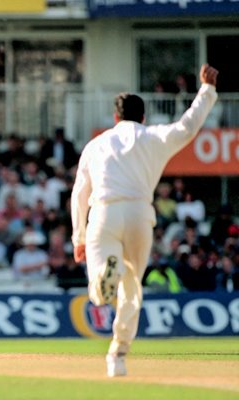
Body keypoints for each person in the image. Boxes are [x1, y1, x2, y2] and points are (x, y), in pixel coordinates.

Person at [70, 64, 218, 377]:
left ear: (114, 118)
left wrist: (78, 237)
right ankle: (118, 354)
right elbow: (187, 127)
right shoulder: (152, 137)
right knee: (132, 288)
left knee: (100, 291)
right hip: (139, 213)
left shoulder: (96, 145)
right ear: (143, 117)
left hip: (104, 213)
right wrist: (206, 91)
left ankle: (105, 276)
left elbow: (80, 193)